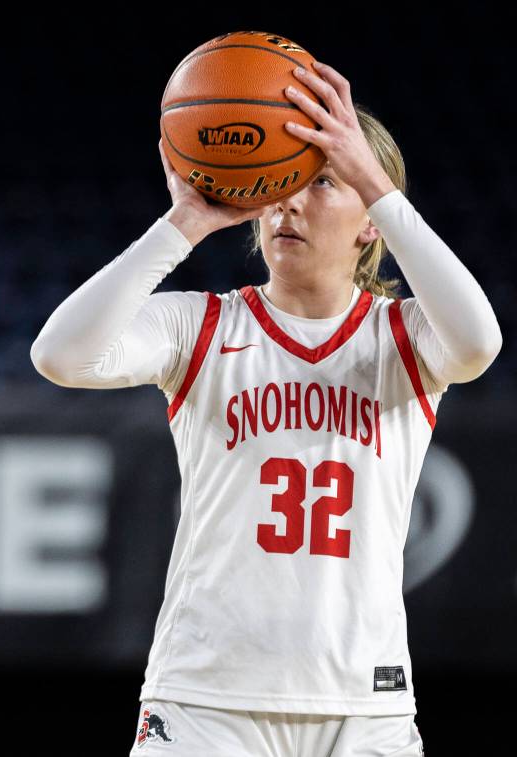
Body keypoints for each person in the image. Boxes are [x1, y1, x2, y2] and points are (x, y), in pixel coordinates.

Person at [29, 60, 502, 756]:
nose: (290, 203)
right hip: (204, 698)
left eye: (323, 183)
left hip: (362, 704)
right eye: (282, 182)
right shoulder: (200, 325)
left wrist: (373, 178)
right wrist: (182, 223)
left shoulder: (405, 335)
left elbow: (480, 343)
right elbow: (59, 356)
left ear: (371, 221)